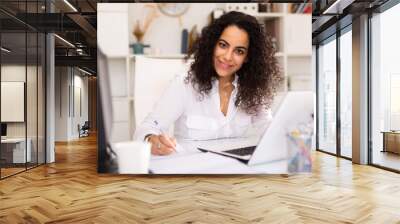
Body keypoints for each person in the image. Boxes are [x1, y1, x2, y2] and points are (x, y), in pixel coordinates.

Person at [134, 11, 282, 156]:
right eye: (223, 45)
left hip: (235, 170)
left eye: (239, 51)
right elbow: (147, 128)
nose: (227, 57)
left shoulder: (251, 88)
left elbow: (268, 128)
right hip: (191, 170)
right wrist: (152, 141)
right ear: (212, 44)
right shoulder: (185, 84)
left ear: (248, 57)